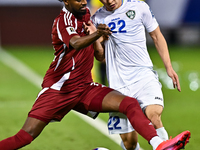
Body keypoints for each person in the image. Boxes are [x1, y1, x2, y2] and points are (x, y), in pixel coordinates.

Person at [0, 0, 190, 150]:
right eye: (78, 0)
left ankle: (160, 145)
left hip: (84, 88)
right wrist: (96, 33)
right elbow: (75, 42)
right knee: (26, 136)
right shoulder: (62, 21)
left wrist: (98, 39)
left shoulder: (86, 16)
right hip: (60, 90)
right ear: (66, 2)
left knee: (129, 103)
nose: (84, 2)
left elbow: (99, 55)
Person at [91, 0, 184, 149]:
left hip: (143, 76)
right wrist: (97, 38)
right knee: (130, 144)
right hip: (118, 85)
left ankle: (165, 147)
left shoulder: (139, 7)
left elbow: (156, 36)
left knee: (154, 115)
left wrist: (169, 67)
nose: (110, 1)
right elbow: (100, 57)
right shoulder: (97, 19)